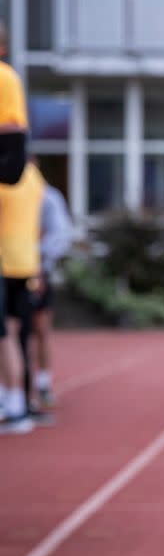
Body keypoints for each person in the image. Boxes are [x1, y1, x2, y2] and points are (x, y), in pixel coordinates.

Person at [0, 23, 33, 434]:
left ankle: (19, 402)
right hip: (17, 259)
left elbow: (12, 164)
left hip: (17, 260)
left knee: (11, 331)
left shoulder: (6, 79)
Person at [0, 158, 47, 427]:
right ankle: (17, 400)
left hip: (5, 262)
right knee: (17, 335)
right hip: (27, 262)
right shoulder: (33, 176)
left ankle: (13, 403)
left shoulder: (5, 176)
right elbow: (36, 222)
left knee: (5, 337)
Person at [32, 173, 74, 410]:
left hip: (37, 270)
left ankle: (43, 383)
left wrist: (34, 254)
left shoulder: (47, 197)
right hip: (9, 271)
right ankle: (16, 390)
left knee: (40, 327)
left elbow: (59, 235)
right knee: (14, 332)